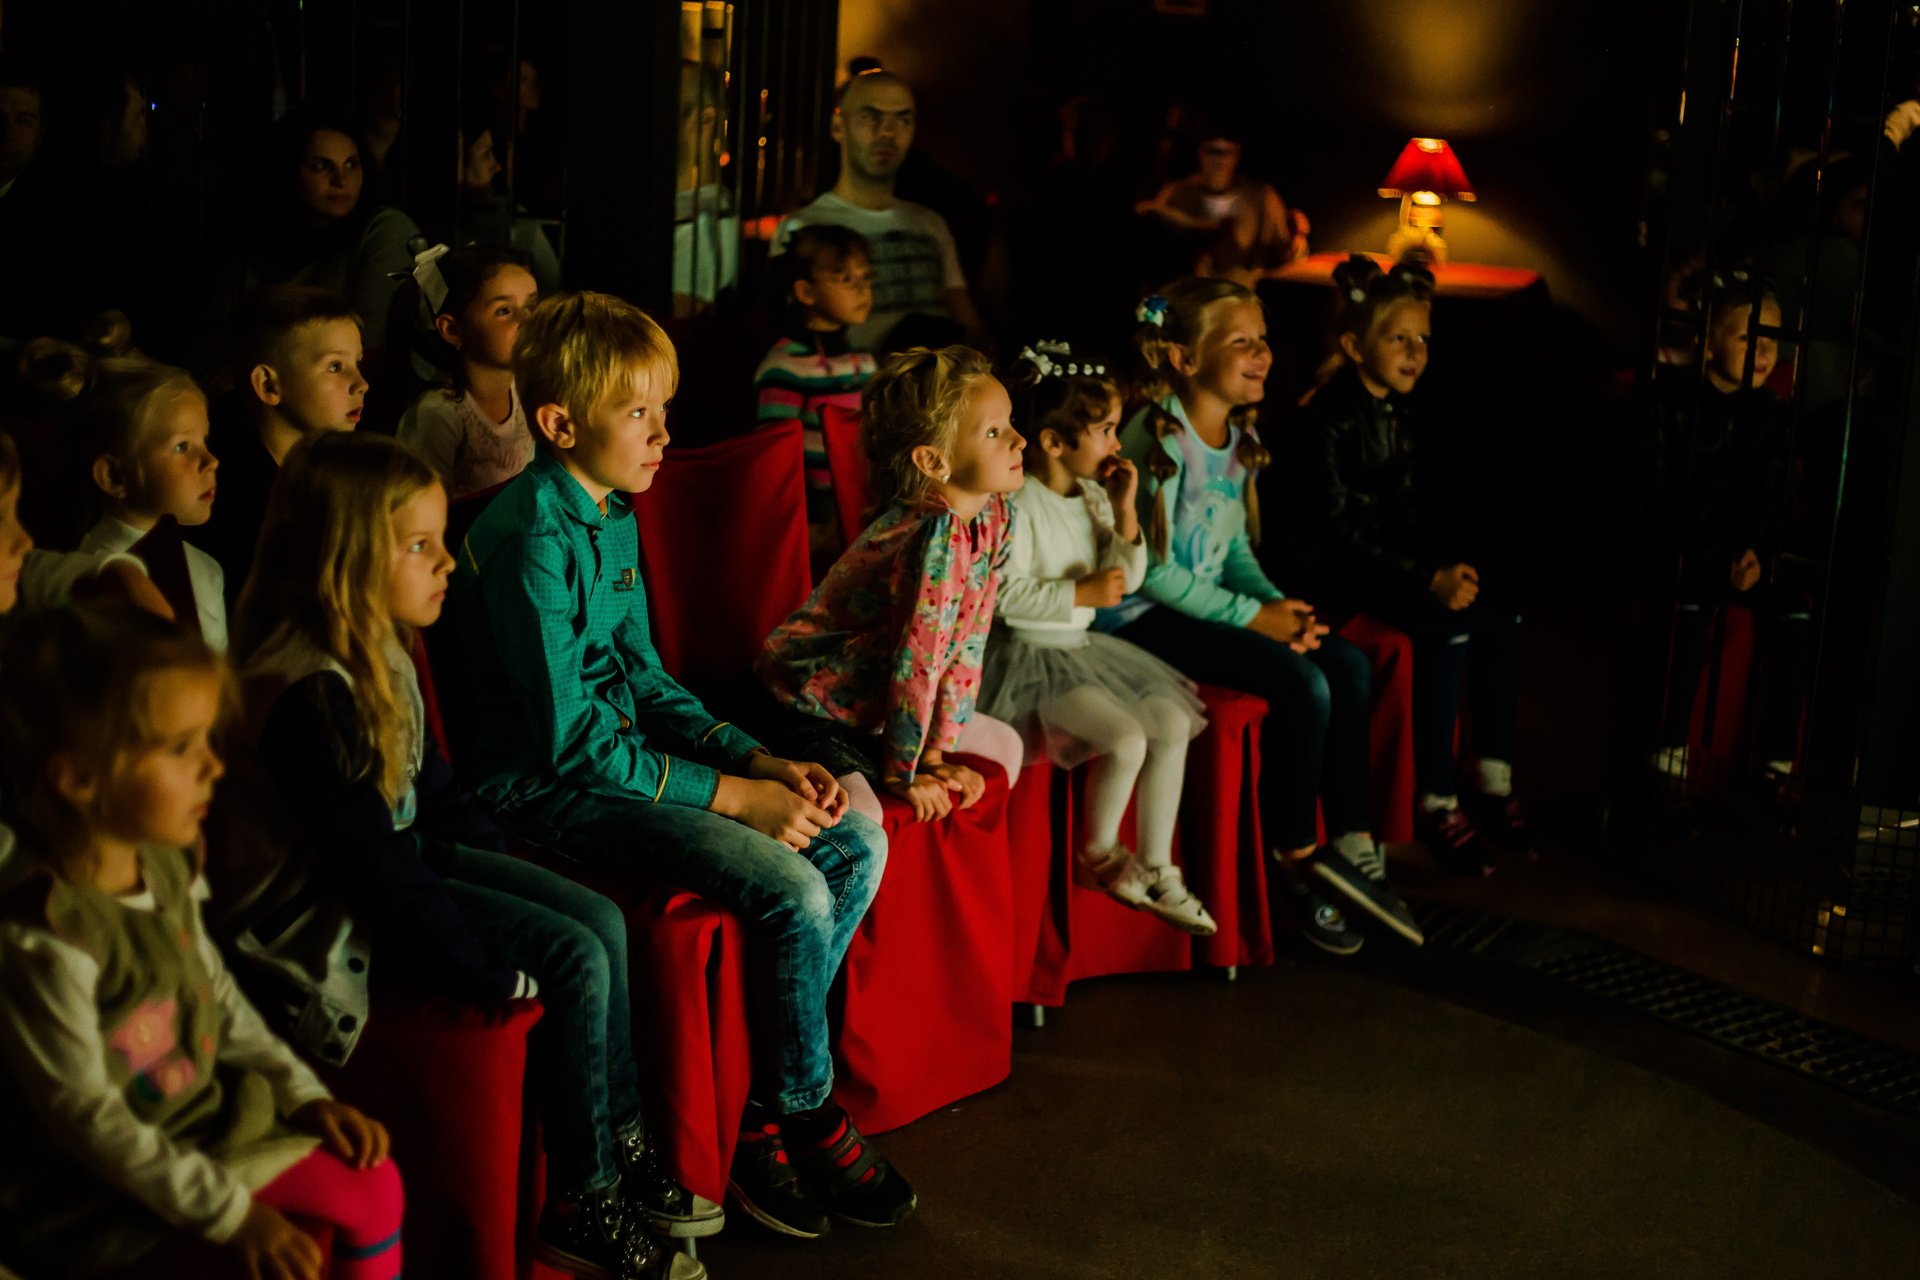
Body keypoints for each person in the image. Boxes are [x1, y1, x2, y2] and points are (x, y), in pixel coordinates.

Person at [443, 291, 910, 1242]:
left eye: (664, 408)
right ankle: (799, 1112)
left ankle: (764, 1105)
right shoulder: (532, 534)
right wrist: (736, 798)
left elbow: (645, 678)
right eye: (639, 413)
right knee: (797, 888)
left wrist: (760, 757)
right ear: (559, 425)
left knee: (859, 844)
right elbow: (572, 745)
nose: (664, 433)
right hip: (545, 791)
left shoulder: (611, 511)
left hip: (620, 762)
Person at [225, 431, 709, 1279]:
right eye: (420, 546)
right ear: (346, 559)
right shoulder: (309, 690)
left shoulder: (380, 640)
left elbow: (434, 792)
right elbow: (374, 872)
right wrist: (478, 968)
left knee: (598, 919)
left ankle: (624, 1146)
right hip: (324, 920)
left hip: (396, 859)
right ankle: (584, 1199)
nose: (448, 561)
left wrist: (513, 873)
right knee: (572, 954)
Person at [0, 601, 403, 1280]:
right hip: (97, 1195)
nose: (215, 767)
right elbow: (86, 1120)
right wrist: (232, 1216)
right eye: (181, 748)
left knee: (376, 1182)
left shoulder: (165, 861)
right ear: (78, 778)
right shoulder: (44, 938)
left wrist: (303, 1093)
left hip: (201, 1123)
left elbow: (214, 992)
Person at [1097, 278, 1420, 954]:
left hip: (1212, 605)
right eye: (1240, 342)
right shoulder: (1157, 437)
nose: (1262, 354)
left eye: (1263, 340)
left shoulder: (1240, 433)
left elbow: (1235, 547)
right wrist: (1252, 618)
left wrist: (1277, 608)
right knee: (1303, 684)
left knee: (1347, 663)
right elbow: (1151, 570)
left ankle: (1352, 842)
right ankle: (1295, 860)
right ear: (1184, 358)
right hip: (1143, 616)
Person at [1269, 256, 1528, 876]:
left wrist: (1447, 565)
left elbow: (1405, 512)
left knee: (1501, 617)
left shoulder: (1395, 411)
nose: (1416, 353)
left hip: (1379, 561)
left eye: (1423, 340)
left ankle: (1492, 778)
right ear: (1354, 345)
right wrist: (1427, 578)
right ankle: (1436, 801)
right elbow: (1342, 528)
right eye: (1398, 339)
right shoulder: (1327, 416)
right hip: (1330, 571)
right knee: (1444, 626)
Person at [981, 342, 1213, 933]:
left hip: (1081, 649)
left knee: (1171, 722)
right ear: (1054, 442)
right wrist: (1078, 594)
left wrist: (1124, 510)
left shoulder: (1090, 496)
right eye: (1106, 430)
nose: (1116, 443)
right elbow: (1002, 595)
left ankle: (1159, 865)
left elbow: (1126, 579)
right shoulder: (1018, 503)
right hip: (1026, 656)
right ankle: (1099, 854)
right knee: (1126, 739)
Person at [752, 345, 1028, 828]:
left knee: (1007, 744)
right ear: (934, 462)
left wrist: (936, 753)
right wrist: (903, 772)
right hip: (805, 705)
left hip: (874, 710)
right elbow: (917, 659)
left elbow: (969, 639)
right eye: (994, 432)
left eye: (1010, 424)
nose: (1019, 440)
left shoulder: (994, 514)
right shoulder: (933, 533)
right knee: (861, 812)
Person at [1648, 280, 1807, 788]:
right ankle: (1669, 749)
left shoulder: (1773, 413)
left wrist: (1757, 552)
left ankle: (1775, 764)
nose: (1764, 352)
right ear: (1708, 341)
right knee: (1690, 600)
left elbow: (1772, 492)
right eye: (1747, 338)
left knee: (1795, 608)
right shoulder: (1671, 399)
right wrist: (1713, 553)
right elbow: (1658, 497)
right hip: (1684, 550)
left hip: (1743, 554)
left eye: (1773, 340)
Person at [18, 344, 226, 648]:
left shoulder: (206, 570)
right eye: (182, 446)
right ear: (114, 476)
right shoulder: (87, 579)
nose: (211, 461)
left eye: (204, 441)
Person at [770, 70, 986, 353]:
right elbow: (784, 335)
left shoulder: (930, 224)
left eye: (902, 120)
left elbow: (967, 321)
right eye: (870, 117)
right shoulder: (802, 228)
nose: (887, 132)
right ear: (838, 127)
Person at [186, 285, 367, 607]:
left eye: (357, 363)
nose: (361, 384)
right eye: (336, 367)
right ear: (268, 385)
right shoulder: (224, 501)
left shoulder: (343, 464)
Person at [206, 109, 420, 352]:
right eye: (321, 166)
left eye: (351, 164)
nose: (340, 180)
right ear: (288, 170)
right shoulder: (259, 240)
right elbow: (212, 338)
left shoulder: (384, 230)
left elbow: (374, 342)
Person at [752, 224, 879, 576]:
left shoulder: (864, 360)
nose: (862, 289)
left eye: (866, 277)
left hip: (861, 495)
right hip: (814, 508)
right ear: (805, 291)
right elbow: (772, 453)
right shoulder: (786, 364)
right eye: (845, 279)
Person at [396, 244, 540, 500]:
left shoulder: (526, 390)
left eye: (531, 306)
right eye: (504, 311)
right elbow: (427, 506)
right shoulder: (439, 414)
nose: (527, 320)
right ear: (452, 330)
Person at [1135, 124, 1308, 289]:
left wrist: (1297, 236)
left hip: (1241, 298)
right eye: (1213, 152)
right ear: (1200, 152)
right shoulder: (1176, 193)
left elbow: (1288, 254)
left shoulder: (1262, 197)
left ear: (1237, 155)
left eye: (1228, 152)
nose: (1220, 161)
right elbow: (1150, 250)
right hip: (1188, 298)